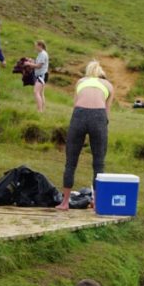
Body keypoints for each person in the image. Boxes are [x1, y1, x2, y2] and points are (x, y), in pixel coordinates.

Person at [57, 60, 115, 210]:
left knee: (71, 161)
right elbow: (107, 114)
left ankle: (64, 203)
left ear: (88, 72)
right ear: (102, 74)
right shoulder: (108, 85)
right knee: (98, 163)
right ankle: (96, 203)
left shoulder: (80, 82)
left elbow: (75, 104)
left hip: (79, 115)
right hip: (99, 117)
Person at [26, 40, 49, 113]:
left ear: (40, 46)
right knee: (41, 93)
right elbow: (37, 63)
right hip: (41, 75)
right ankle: (42, 109)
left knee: (36, 92)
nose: (35, 47)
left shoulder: (43, 54)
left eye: (36, 45)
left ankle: (39, 110)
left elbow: (39, 66)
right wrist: (31, 61)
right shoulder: (41, 54)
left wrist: (29, 64)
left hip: (41, 76)